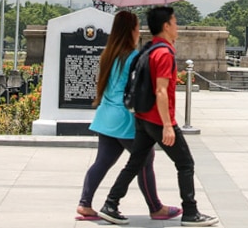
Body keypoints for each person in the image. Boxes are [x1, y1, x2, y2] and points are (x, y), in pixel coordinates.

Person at [98, 6, 218, 227]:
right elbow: (161, 91)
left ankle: (111, 204)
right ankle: (190, 213)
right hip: (157, 119)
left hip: (142, 118)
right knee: (186, 164)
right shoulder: (164, 53)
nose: (177, 26)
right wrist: (168, 126)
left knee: (135, 163)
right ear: (166, 26)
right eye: (174, 22)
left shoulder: (150, 49)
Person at [75, 11, 181, 222]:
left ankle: (85, 204)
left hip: (106, 115)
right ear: (131, 31)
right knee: (145, 158)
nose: (139, 30)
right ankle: (155, 207)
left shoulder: (108, 54)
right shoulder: (134, 57)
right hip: (125, 119)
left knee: (102, 161)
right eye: (137, 27)